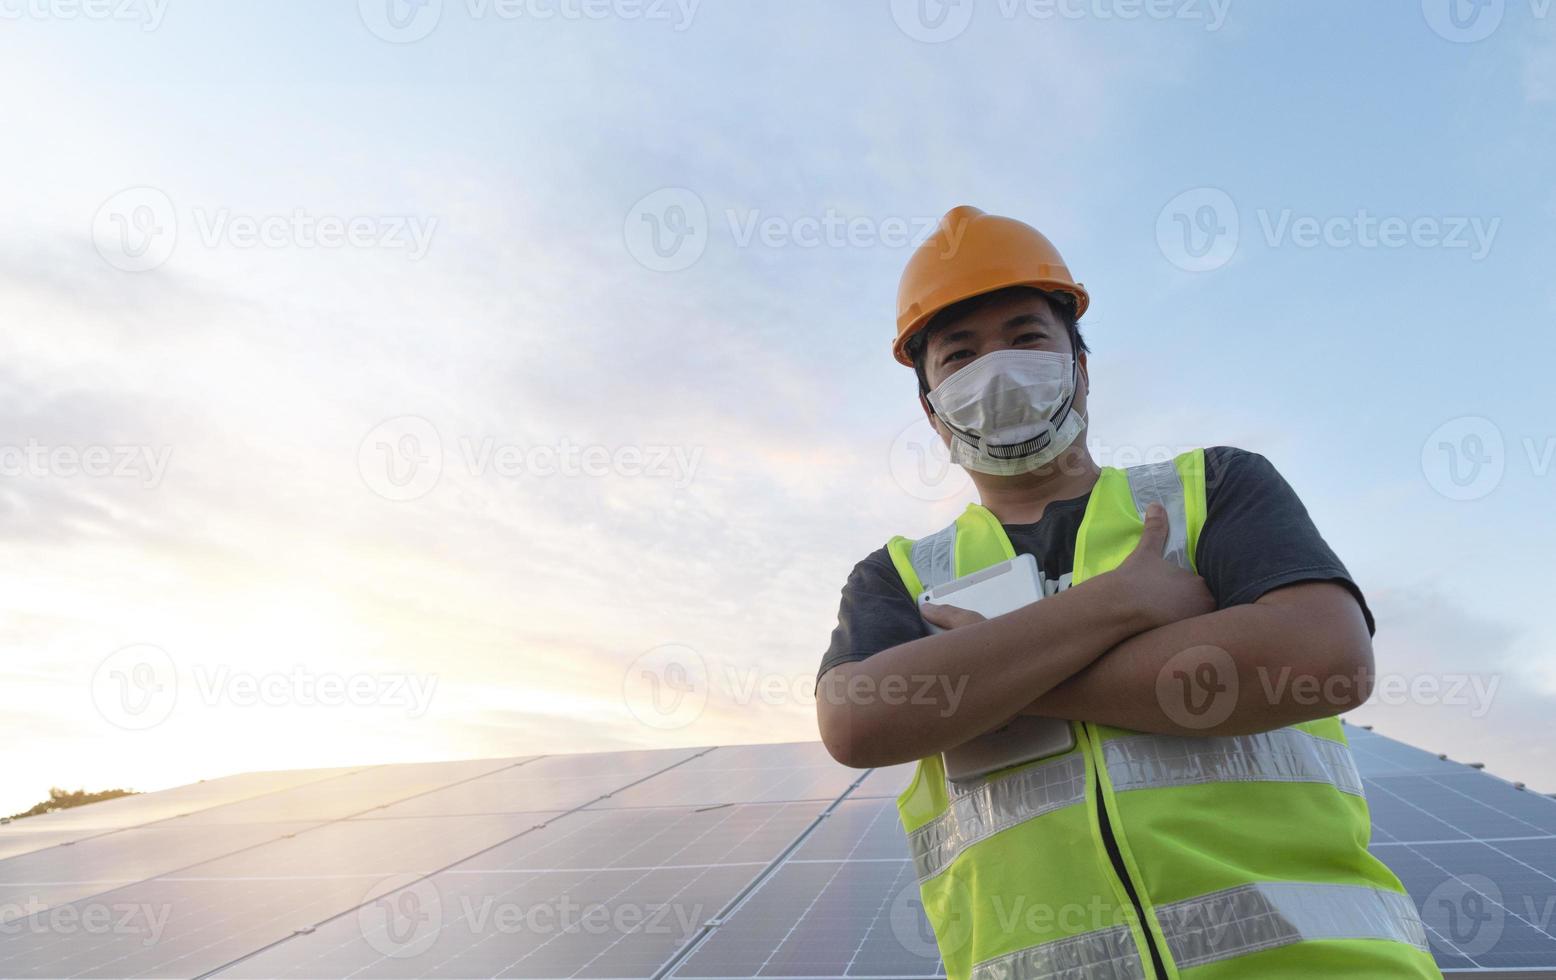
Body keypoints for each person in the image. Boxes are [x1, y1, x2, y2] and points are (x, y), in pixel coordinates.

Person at [815, 206, 1441, 980]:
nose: (999, 368)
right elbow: (858, 719)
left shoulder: (1213, 487)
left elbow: (1324, 659)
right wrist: (1119, 605)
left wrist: (983, 675)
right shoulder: (898, 575)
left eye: (1027, 336)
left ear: (1080, 367)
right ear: (933, 410)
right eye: (961, 355)